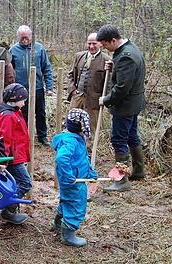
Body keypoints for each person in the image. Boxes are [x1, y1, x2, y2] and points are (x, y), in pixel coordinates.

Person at [97, 24, 146, 192]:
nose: (104, 48)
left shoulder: (126, 56)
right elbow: (124, 73)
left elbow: (122, 88)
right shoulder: (130, 49)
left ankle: (122, 179)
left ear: (113, 40)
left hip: (125, 106)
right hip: (133, 104)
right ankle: (139, 171)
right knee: (132, 136)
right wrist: (114, 66)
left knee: (119, 139)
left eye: (105, 45)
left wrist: (106, 99)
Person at [52, 108, 98, 247]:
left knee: (67, 200)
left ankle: (59, 223)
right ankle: (68, 235)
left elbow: (83, 159)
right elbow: (61, 158)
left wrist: (90, 173)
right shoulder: (71, 142)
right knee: (76, 203)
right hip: (73, 181)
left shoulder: (76, 139)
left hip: (75, 178)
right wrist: (69, 176)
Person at [10, 25, 55, 146]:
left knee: (40, 112)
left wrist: (49, 87)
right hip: (20, 90)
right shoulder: (13, 50)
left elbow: (47, 68)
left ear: (31, 36)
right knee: (22, 114)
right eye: (22, 38)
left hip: (38, 87)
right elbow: (9, 71)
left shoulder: (39, 48)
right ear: (18, 37)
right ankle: (24, 137)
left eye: (27, 37)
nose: (25, 40)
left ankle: (42, 136)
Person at [0, 83, 32, 224]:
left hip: (16, 155)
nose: (25, 101)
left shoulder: (14, 112)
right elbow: (4, 140)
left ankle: (11, 209)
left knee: (17, 182)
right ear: (15, 99)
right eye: (23, 99)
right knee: (25, 183)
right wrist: (3, 161)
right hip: (12, 158)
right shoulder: (8, 116)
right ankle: (8, 210)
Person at [67, 33, 111, 153]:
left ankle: (88, 155)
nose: (91, 46)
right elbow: (71, 75)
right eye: (89, 43)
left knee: (91, 129)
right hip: (77, 97)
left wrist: (105, 99)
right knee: (72, 124)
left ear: (100, 44)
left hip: (94, 101)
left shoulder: (106, 60)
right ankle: (73, 150)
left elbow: (109, 83)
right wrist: (73, 91)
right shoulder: (79, 56)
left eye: (94, 43)